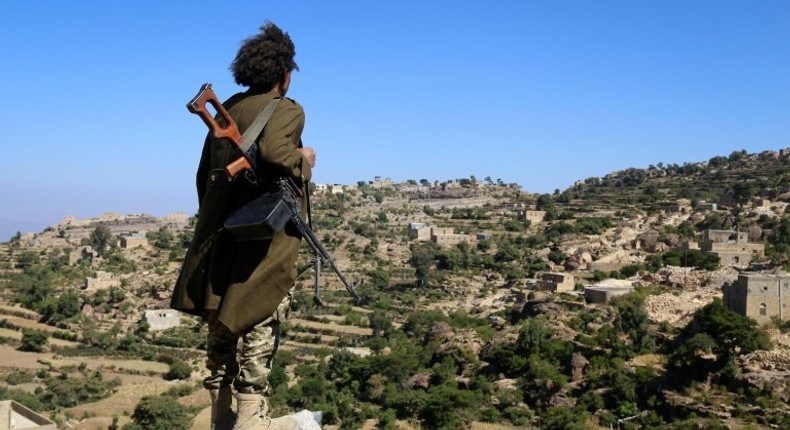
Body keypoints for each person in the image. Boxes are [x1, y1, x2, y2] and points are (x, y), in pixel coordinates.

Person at [170, 22, 317, 430]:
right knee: (261, 312)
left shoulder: (230, 107)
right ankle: (252, 415)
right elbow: (275, 151)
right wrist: (303, 159)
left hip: (223, 231)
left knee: (222, 316)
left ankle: (220, 412)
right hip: (264, 236)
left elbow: (204, 176)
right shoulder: (286, 108)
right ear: (283, 73)